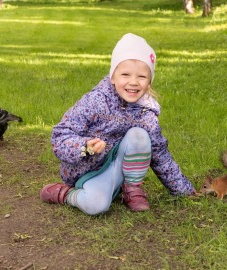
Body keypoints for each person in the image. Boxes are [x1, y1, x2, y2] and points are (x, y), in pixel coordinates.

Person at [40, 33, 196, 215]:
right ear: (113, 76)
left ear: (149, 81)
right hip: (90, 171)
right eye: (125, 74)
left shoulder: (146, 113)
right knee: (96, 206)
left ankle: (131, 188)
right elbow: (60, 135)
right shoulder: (95, 102)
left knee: (140, 135)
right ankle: (66, 194)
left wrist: (183, 189)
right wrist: (84, 146)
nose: (133, 82)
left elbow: (159, 153)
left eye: (142, 76)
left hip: (121, 167)